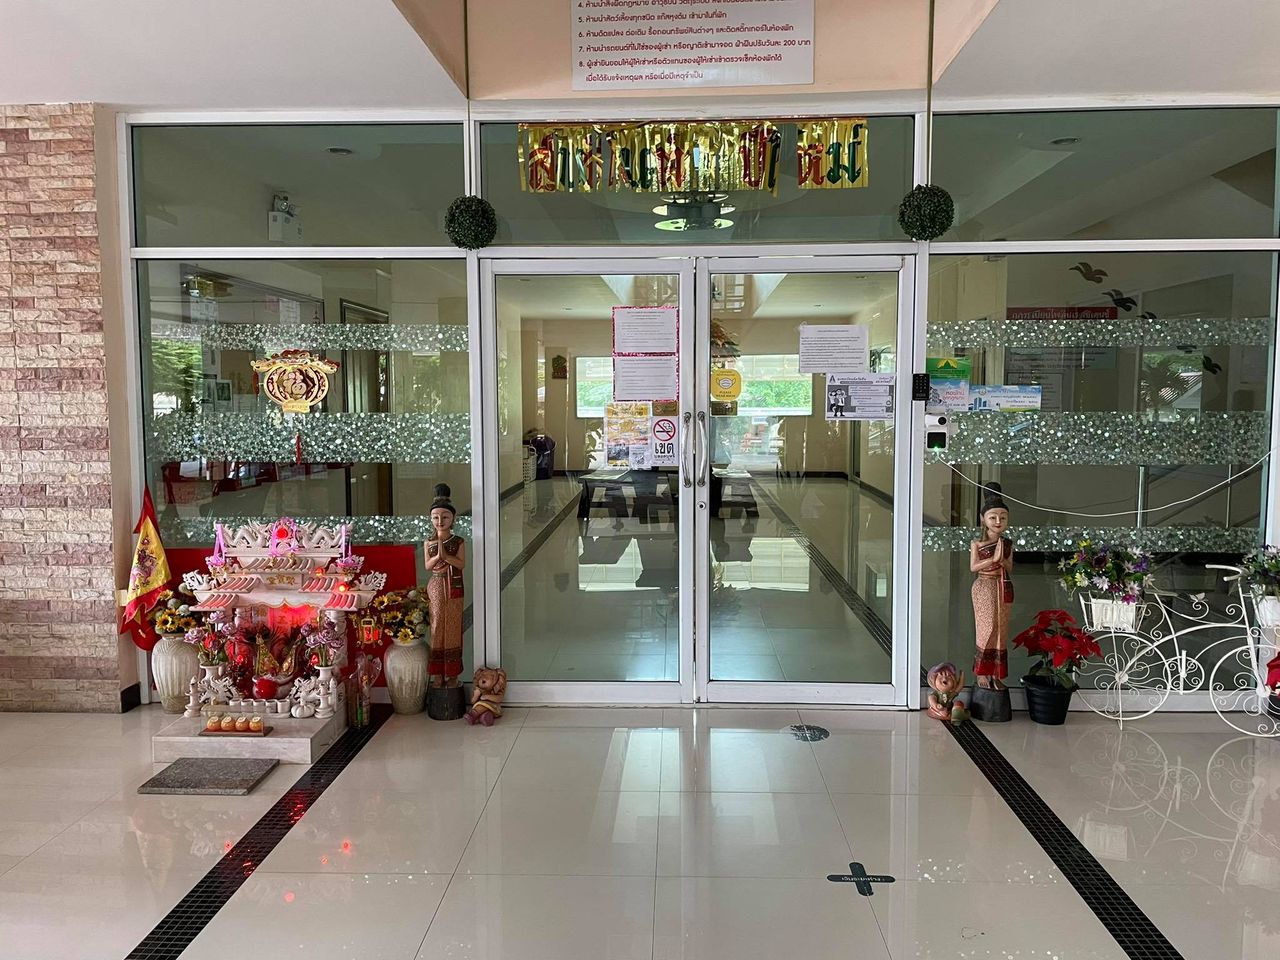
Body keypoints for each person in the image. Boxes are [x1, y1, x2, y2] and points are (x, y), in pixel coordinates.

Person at [970, 482, 1013, 690]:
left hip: (1002, 586)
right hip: (984, 586)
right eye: (993, 517)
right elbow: (973, 567)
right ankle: (982, 673)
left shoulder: (1007, 543)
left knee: (1001, 631)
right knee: (986, 628)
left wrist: (1001, 559)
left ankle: (996, 674)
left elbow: (1009, 566)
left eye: (1002, 518)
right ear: (983, 519)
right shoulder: (977, 544)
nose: (998, 522)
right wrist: (992, 559)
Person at [424, 483, 466, 687]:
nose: (440, 521)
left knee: (453, 626)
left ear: (453, 518)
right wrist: (438, 556)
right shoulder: (429, 542)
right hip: (436, 584)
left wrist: (446, 556)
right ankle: (437, 673)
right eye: (436, 517)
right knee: (437, 624)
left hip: (454, 585)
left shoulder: (458, 541)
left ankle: (452, 673)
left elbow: (461, 564)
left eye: (445, 517)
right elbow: (428, 565)